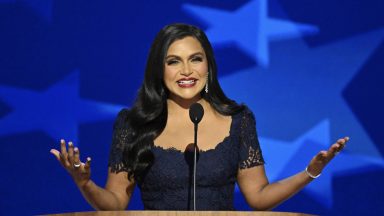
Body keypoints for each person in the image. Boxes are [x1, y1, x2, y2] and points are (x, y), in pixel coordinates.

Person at [50, 23, 349, 211]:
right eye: (173, 61)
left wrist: (309, 172)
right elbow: (115, 205)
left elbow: (258, 197)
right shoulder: (133, 124)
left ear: (208, 66)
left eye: (195, 59)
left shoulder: (239, 119)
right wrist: (84, 184)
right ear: (159, 69)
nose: (186, 71)